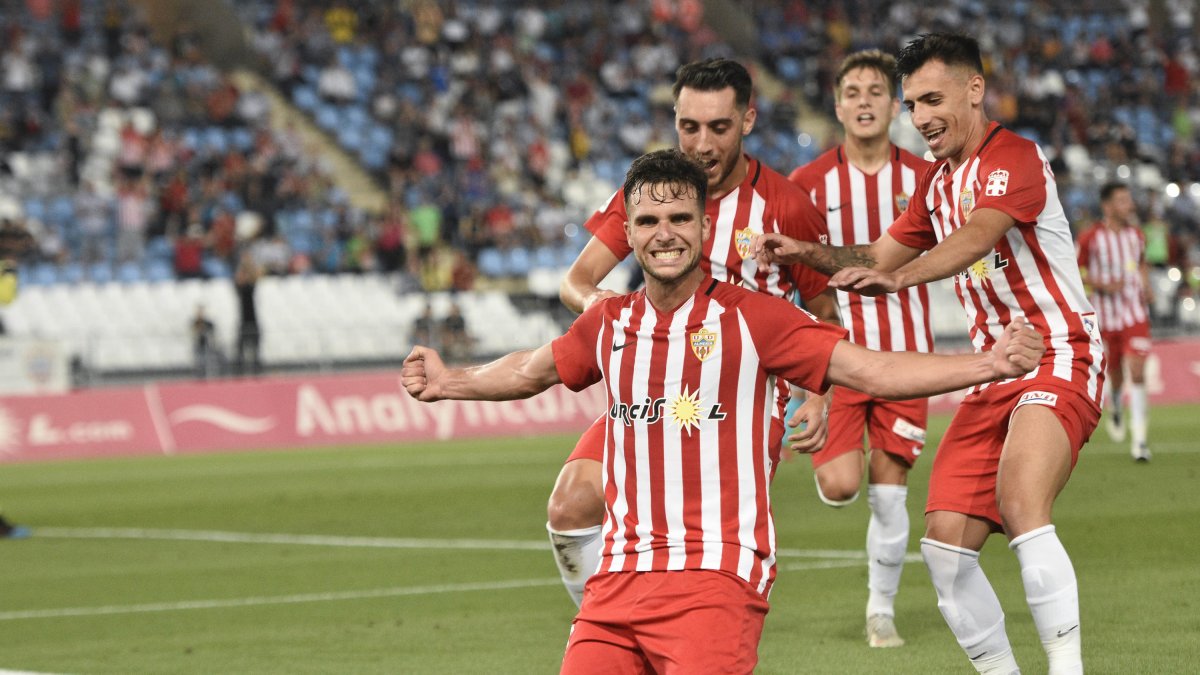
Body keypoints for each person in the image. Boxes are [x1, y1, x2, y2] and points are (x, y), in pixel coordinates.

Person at [401, 149, 1045, 673]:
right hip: (615, 589)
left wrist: (986, 364)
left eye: (680, 218)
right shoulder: (608, 322)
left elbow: (868, 367)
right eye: (649, 223)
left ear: (705, 227)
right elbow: (530, 370)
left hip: (715, 581)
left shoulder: (754, 317)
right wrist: (448, 382)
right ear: (626, 233)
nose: (665, 234)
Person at [754, 34, 1103, 674]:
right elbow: (874, 258)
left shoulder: (1013, 158)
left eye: (932, 100)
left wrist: (901, 279)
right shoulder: (936, 185)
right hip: (994, 369)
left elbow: (975, 237)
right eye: (913, 104)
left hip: (1055, 351)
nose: (921, 118)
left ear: (976, 89)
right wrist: (806, 254)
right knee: (944, 550)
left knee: (1023, 503)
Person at [548, 57, 842, 608]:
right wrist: (599, 306)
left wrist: (820, 397)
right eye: (689, 127)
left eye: (719, 127)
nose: (702, 144)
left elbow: (824, 313)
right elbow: (577, 281)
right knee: (569, 509)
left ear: (748, 121)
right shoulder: (650, 195)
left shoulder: (786, 206)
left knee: (691, 553)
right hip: (652, 384)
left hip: (743, 401)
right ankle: (603, 630)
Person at [787, 49, 935, 649]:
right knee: (842, 487)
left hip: (908, 362)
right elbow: (797, 277)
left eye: (878, 90)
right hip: (838, 359)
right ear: (838, 104)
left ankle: (881, 612)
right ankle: (878, 599)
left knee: (889, 489)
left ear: (894, 104)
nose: (866, 100)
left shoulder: (925, 179)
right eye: (854, 91)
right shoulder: (808, 184)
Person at [1076, 182, 1153, 462]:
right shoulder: (1090, 238)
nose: (1128, 205)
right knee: (1117, 374)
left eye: (1128, 199)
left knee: (1138, 371)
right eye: (1122, 200)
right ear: (1107, 206)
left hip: (1135, 314)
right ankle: (1117, 404)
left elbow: (1141, 262)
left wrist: (1146, 285)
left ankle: (1141, 442)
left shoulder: (1136, 235)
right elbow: (1076, 272)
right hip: (1106, 317)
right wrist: (1101, 285)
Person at [234, 251, 262, 376]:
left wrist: (248, 264)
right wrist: (243, 265)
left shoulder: (251, 286)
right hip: (243, 322)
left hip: (253, 321)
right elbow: (238, 280)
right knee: (240, 352)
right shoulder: (239, 288)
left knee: (255, 351)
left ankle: (256, 372)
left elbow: (255, 276)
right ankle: (240, 373)